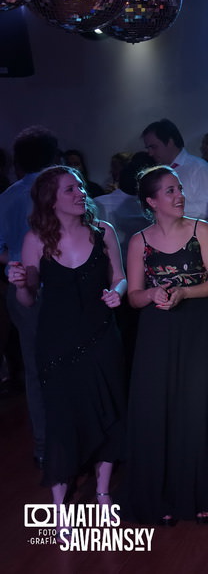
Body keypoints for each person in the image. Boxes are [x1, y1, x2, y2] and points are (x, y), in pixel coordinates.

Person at [8, 166, 126, 538]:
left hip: (101, 336)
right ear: (50, 200)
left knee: (108, 411)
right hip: (57, 345)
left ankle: (103, 494)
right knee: (61, 421)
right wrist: (20, 284)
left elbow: (120, 276)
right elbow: (27, 301)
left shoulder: (103, 232)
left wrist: (117, 293)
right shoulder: (35, 240)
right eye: (68, 189)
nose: (79, 193)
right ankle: (60, 508)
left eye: (79, 187)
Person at [122, 166, 208, 526]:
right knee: (160, 409)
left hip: (196, 327)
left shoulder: (201, 230)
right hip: (157, 332)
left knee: (197, 404)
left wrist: (184, 291)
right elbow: (134, 297)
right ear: (151, 201)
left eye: (179, 189)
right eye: (170, 191)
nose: (179, 195)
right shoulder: (138, 241)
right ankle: (164, 496)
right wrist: (153, 293)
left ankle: (202, 493)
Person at [0, 126, 60, 467]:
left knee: (36, 371)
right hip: (59, 289)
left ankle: (43, 446)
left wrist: (23, 262)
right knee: (71, 366)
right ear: (53, 157)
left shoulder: (8, 196)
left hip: (22, 287)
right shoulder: (63, 191)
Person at [142, 119, 208, 221]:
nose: (150, 153)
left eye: (154, 147)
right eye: (148, 148)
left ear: (170, 142)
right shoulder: (157, 172)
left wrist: (167, 208)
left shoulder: (198, 167)